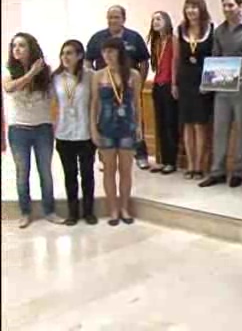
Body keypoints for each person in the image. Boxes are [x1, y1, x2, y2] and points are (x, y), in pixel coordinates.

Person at [3, 33, 64, 228]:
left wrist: (56, 121)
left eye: (21, 45)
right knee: (23, 173)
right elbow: (10, 88)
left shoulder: (46, 72)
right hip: (18, 129)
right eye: (14, 46)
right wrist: (30, 74)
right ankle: (25, 212)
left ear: (31, 48)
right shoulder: (8, 70)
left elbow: (57, 98)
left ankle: (49, 211)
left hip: (42, 129)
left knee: (45, 171)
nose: (17, 49)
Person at [85, 5, 151, 170]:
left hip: (128, 86)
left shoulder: (134, 37)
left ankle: (140, 155)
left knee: (134, 117)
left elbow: (144, 62)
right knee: (104, 120)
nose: (113, 20)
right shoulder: (97, 38)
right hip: (105, 87)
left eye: (116, 17)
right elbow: (87, 61)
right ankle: (104, 157)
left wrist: (140, 83)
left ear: (124, 19)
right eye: (110, 17)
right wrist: (96, 79)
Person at [199, 0, 242, 188]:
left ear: (240, 6)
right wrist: (208, 81)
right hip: (222, 86)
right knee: (220, 129)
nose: (227, 9)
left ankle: (238, 171)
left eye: (231, 5)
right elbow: (215, 57)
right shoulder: (219, 31)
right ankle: (217, 171)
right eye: (224, 6)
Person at [90, 37, 142, 226]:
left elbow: (137, 103)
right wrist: (93, 128)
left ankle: (124, 207)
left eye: (111, 51)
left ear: (120, 52)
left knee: (126, 170)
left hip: (127, 127)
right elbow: (94, 104)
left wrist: (139, 126)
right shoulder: (98, 75)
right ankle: (113, 209)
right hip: (106, 127)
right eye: (105, 52)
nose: (107, 55)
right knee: (109, 170)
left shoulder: (133, 75)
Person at [52, 40, 97, 226]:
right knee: (70, 175)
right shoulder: (56, 78)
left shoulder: (90, 76)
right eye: (63, 53)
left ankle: (88, 211)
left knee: (87, 174)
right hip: (64, 133)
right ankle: (73, 212)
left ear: (79, 55)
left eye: (70, 53)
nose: (65, 57)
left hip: (85, 132)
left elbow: (95, 103)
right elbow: (52, 104)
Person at [172, 0, 214, 180]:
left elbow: (214, 59)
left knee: (200, 125)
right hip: (185, 82)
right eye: (188, 7)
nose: (191, 10)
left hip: (203, 82)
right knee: (187, 125)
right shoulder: (180, 30)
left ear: (201, 9)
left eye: (194, 7)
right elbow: (176, 59)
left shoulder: (211, 30)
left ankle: (199, 166)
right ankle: (190, 165)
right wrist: (174, 83)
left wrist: (209, 83)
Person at [147, 11, 178, 175]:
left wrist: (174, 84)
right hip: (157, 84)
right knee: (159, 123)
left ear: (166, 20)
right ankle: (162, 159)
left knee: (169, 124)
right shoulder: (156, 41)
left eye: (159, 19)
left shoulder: (173, 40)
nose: (155, 22)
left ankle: (171, 161)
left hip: (169, 85)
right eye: (153, 20)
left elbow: (175, 62)